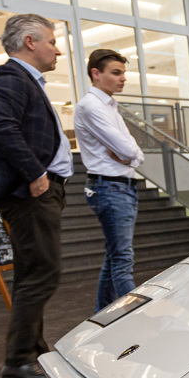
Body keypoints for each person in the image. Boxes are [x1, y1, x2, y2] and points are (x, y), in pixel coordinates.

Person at [0, 13, 71, 378]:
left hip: (39, 189)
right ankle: (18, 359)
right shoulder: (9, 76)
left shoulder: (27, 80)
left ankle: (33, 351)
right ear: (30, 42)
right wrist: (35, 175)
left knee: (33, 273)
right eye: (51, 41)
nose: (57, 49)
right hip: (29, 191)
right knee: (44, 273)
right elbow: (1, 128)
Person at [73, 49, 145, 313]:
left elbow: (133, 151)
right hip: (110, 187)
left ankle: (101, 314)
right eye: (116, 73)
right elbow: (127, 150)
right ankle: (133, 319)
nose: (122, 78)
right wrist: (131, 156)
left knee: (114, 257)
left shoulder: (109, 106)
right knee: (122, 260)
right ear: (96, 73)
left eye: (123, 73)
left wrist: (132, 157)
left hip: (118, 187)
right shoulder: (91, 106)